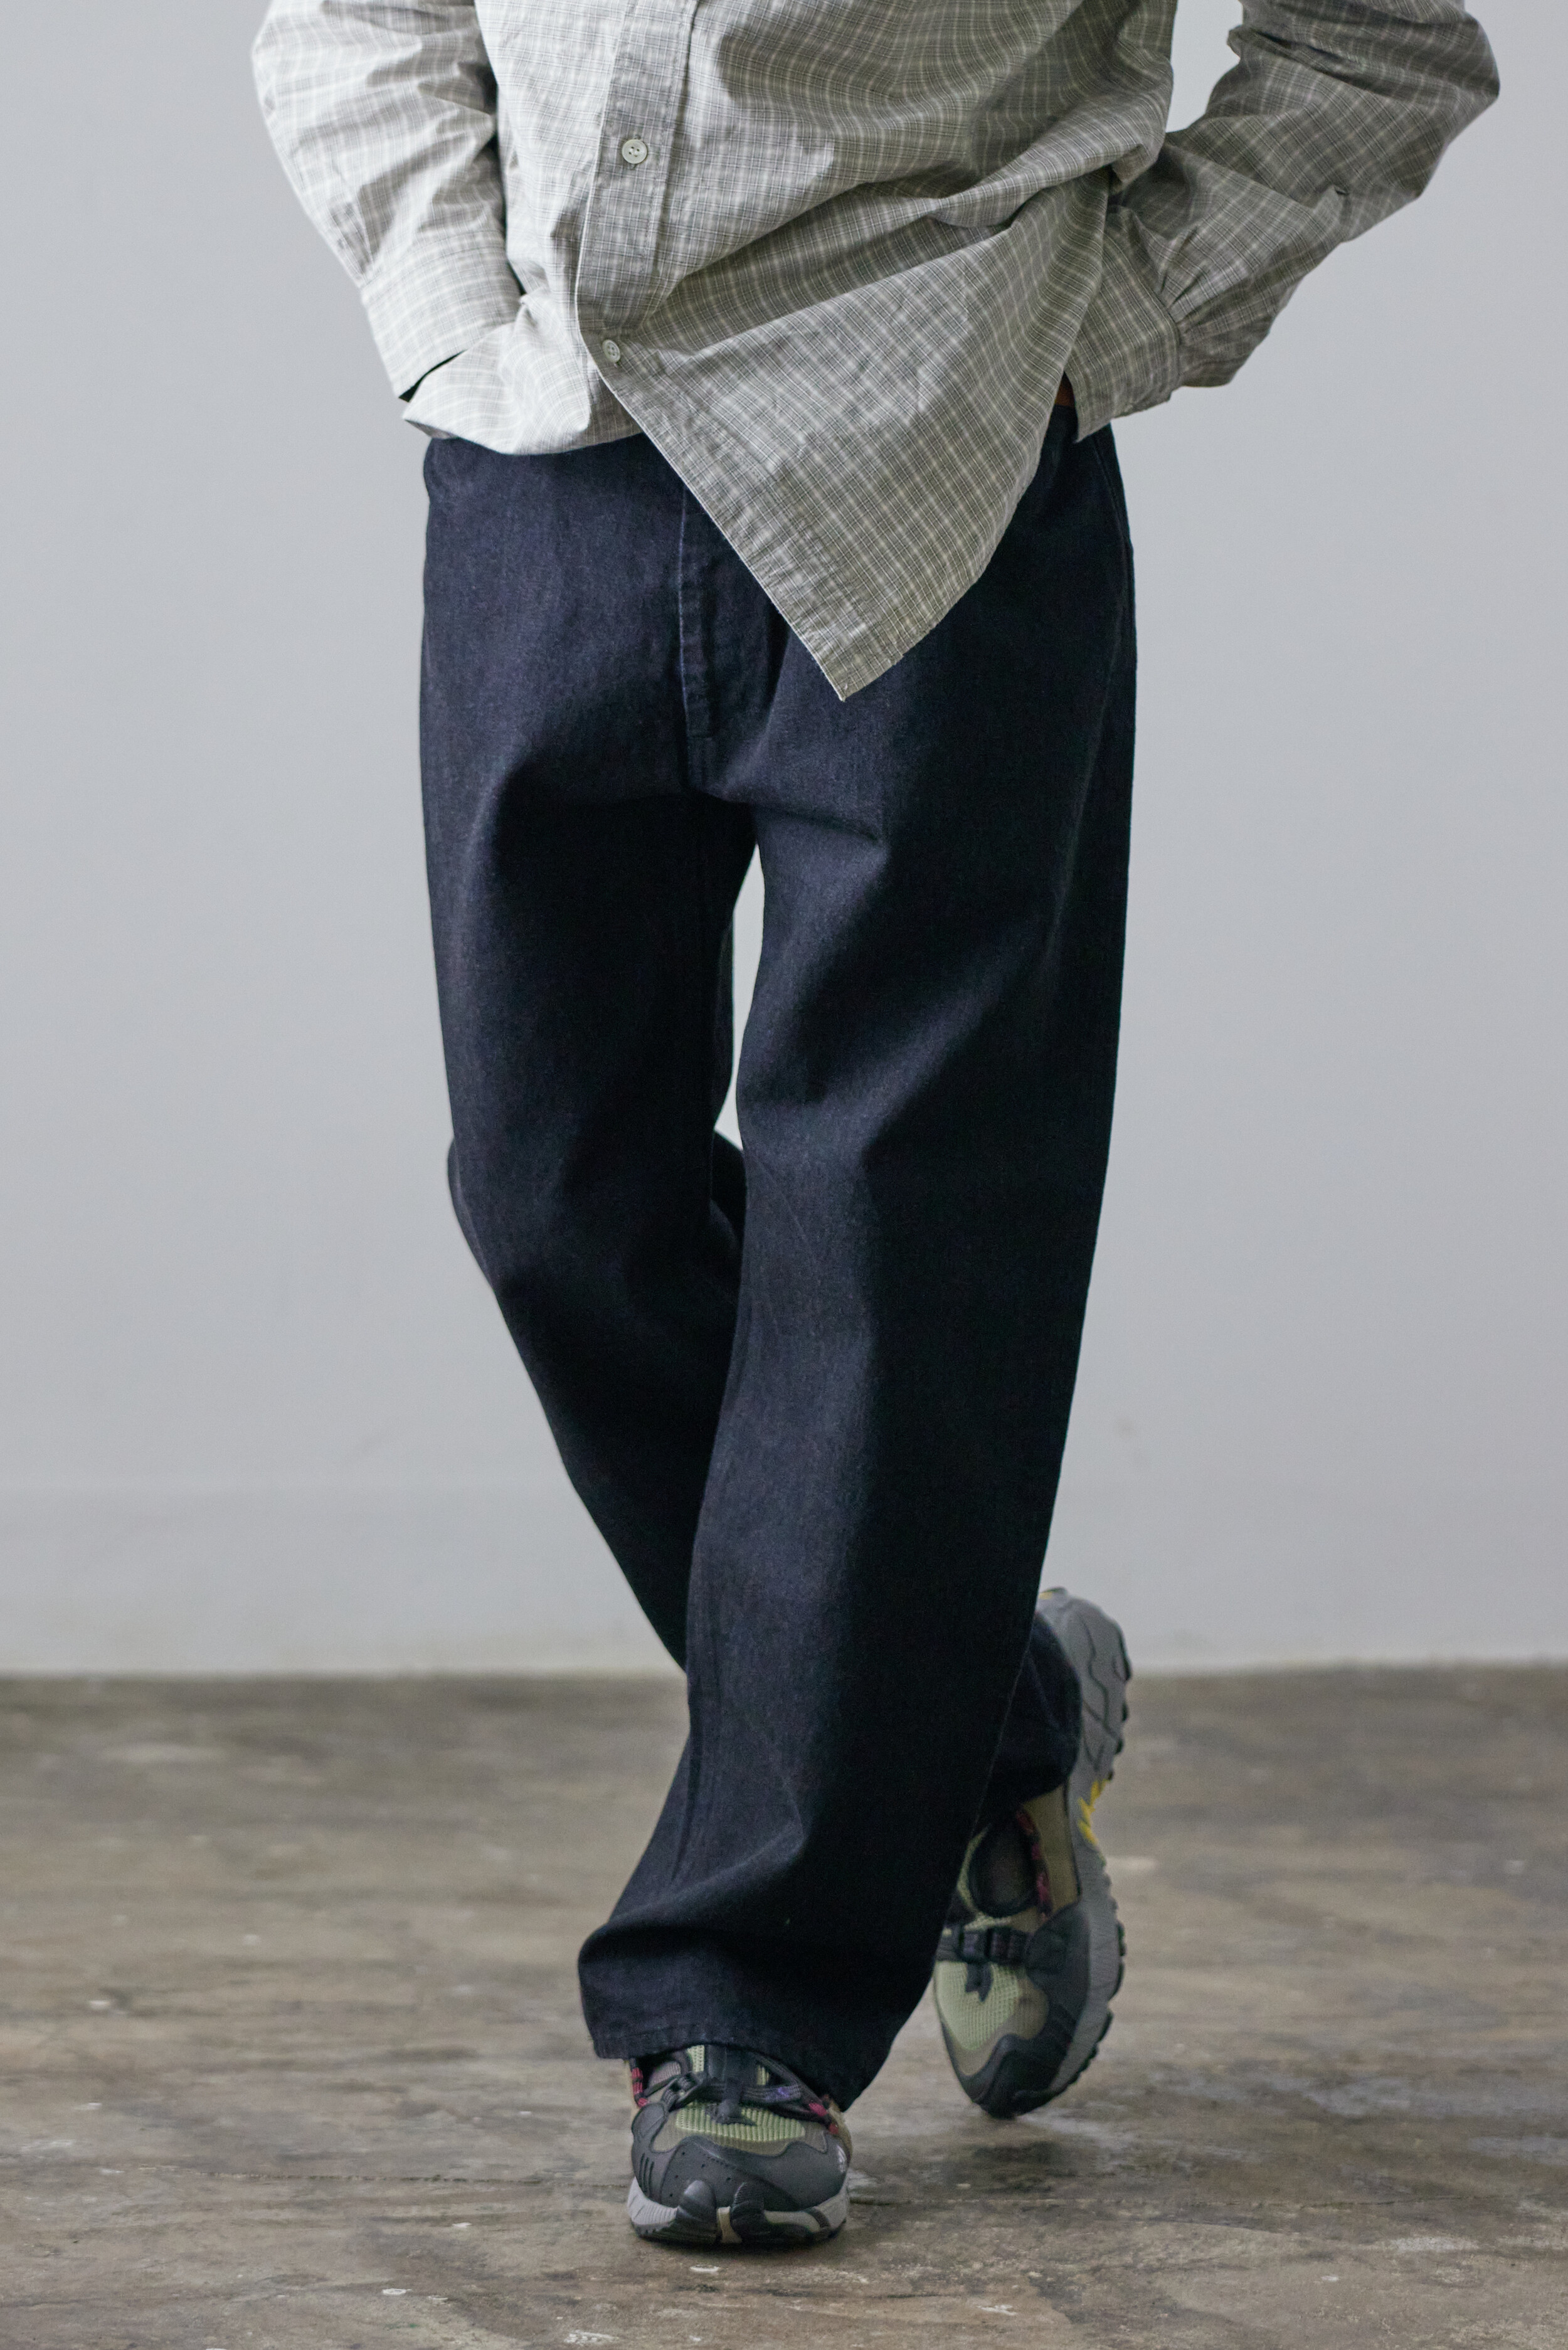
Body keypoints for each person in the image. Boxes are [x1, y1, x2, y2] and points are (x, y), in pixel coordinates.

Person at [253, 0, 1497, 2249]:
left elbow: (1383, 40)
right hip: (544, 463)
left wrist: (1085, 340)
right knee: (551, 1195)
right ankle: (988, 1715)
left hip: (934, 470)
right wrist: (447, 314)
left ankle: (745, 2003)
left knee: (894, 1248)